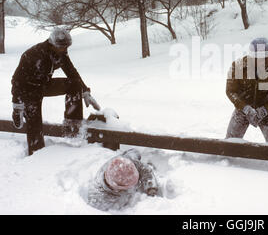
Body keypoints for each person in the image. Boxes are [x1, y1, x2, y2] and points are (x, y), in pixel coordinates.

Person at [11, 27, 100, 155]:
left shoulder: (61, 53)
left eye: (67, 47)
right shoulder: (34, 54)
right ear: (53, 44)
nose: (65, 49)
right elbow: (16, 81)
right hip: (28, 90)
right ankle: (36, 155)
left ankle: (72, 127)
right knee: (35, 127)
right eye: (62, 47)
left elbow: (71, 72)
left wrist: (85, 91)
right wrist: (17, 106)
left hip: (44, 85)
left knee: (74, 84)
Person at [225, 37, 268, 142]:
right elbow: (231, 91)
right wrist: (245, 108)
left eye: (267, 56)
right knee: (230, 143)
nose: (265, 60)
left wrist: (265, 109)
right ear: (252, 57)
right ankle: (226, 158)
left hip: (267, 112)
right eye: (261, 57)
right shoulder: (237, 66)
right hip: (242, 110)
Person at [87, 148, 160, 211]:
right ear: (118, 188)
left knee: (135, 153)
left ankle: (132, 153)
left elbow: (144, 169)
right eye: (130, 185)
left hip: (127, 158)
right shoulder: (99, 195)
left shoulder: (127, 163)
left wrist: (151, 187)